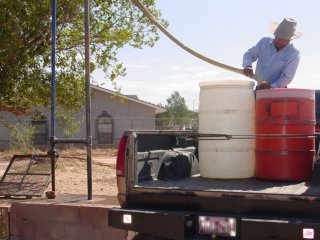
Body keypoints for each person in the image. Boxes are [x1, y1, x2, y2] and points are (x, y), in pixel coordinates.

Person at [242, 17, 302, 90]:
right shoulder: (264, 42)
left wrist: (271, 86)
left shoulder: (294, 53)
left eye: (283, 39)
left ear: (290, 39)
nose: (279, 41)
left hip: (279, 91)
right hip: (259, 88)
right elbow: (249, 54)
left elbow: (287, 77)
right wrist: (248, 66)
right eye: (278, 37)